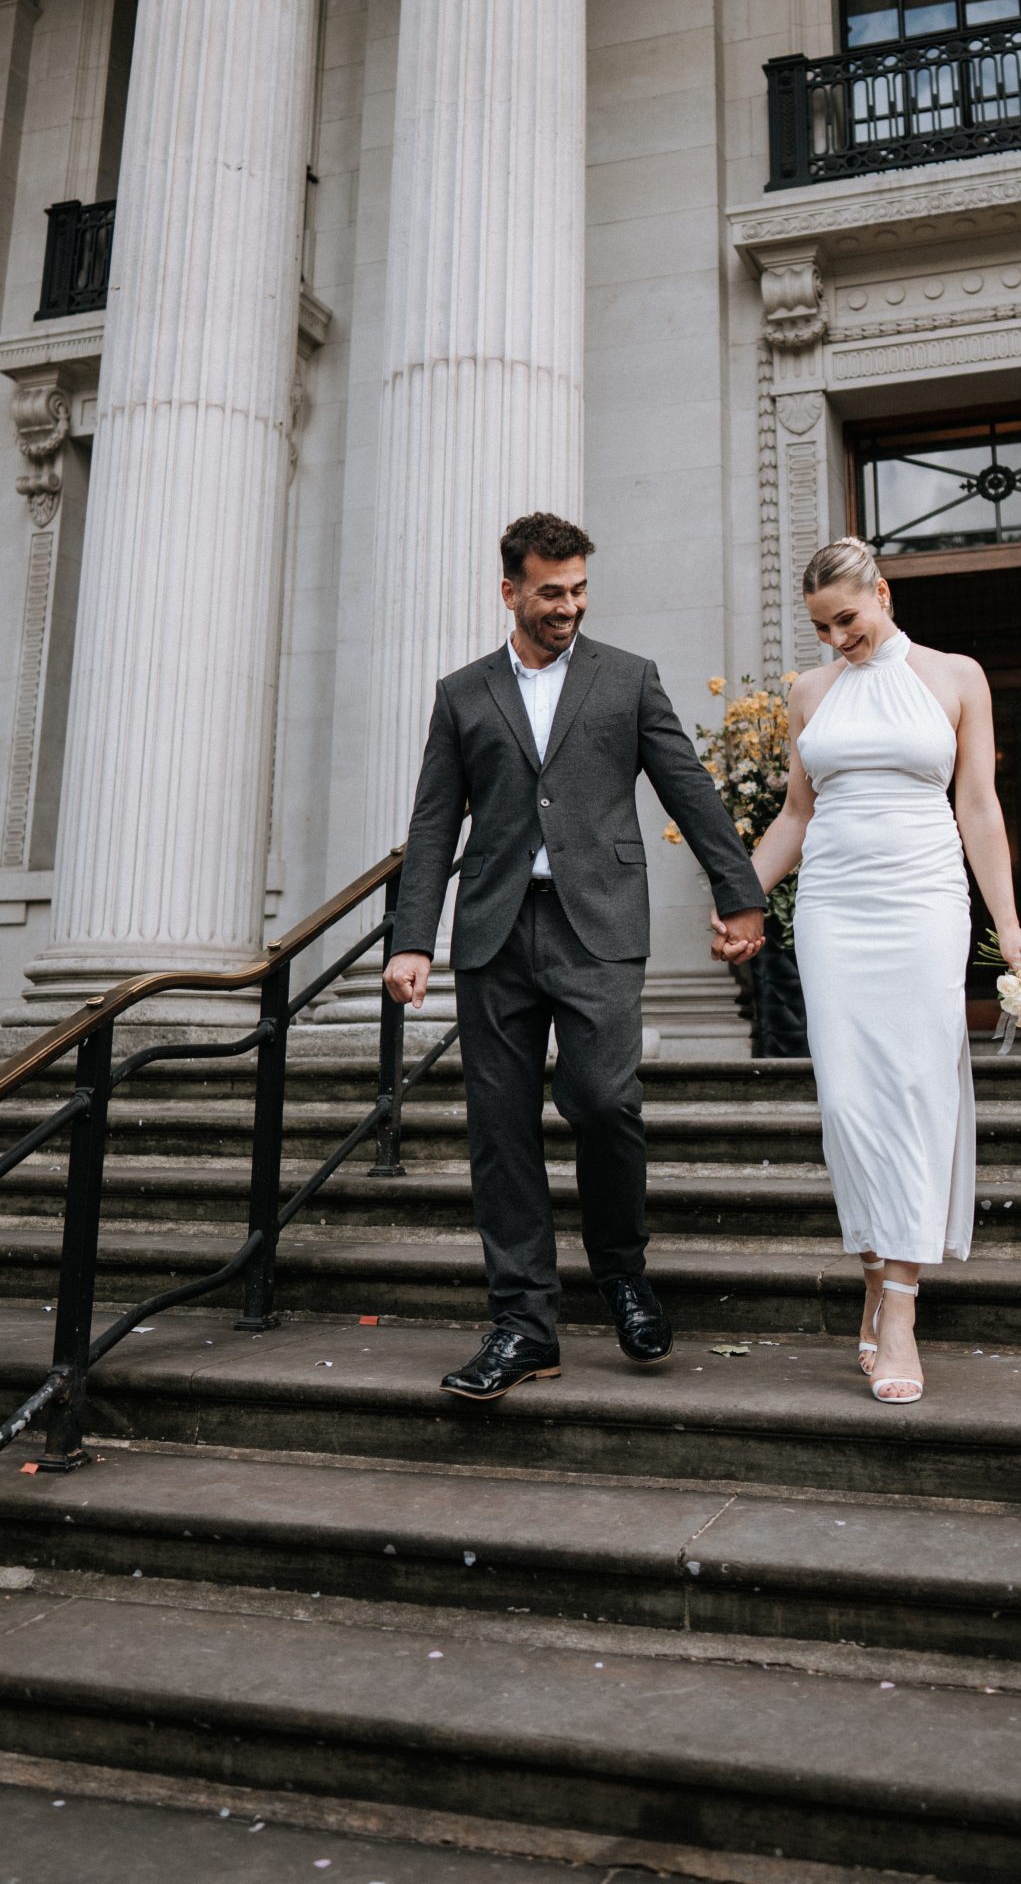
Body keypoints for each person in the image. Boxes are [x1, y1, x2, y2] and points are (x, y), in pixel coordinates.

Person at [383, 511, 767, 1401]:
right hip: (493, 930)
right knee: (500, 1130)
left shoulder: (627, 679)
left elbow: (687, 784)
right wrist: (412, 939)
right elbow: (434, 821)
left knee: (602, 1100)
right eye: (551, 592)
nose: (568, 607)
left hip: (597, 922)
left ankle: (622, 1273)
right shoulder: (462, 693)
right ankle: (523, 1325)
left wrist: (738, 891)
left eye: (579, 590)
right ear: (510, 591)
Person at [744, 536, 1021, 1405]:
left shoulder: (955, 676)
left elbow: (977, 805)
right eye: (821, 627)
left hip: (922, 902)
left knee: (915, 1090)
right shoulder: (808, 692)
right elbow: (796, 813)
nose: (837, 638)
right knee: (846, 1100)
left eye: (848, 618)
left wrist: (1010, 926)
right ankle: (876, 1265)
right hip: (833, 906)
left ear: (882, 592)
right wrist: (740, 899)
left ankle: (900, 1303)